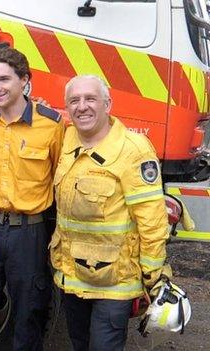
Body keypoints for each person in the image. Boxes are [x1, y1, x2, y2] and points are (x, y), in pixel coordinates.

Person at [50, 75, 169, 351]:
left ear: (108, 104)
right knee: (79, 345)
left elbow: (152, 220)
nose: (82, 107)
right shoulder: (66, 140)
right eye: (74, 101)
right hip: (72, 275)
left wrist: (153, 276)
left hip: (115, 283)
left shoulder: (133, 150)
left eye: (90, 99)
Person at [0, 47, 65, 351]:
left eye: (4, 79)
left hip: (28, 233)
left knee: (29, 316)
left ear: (24, 80)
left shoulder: (51, 124)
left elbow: (60, 179)